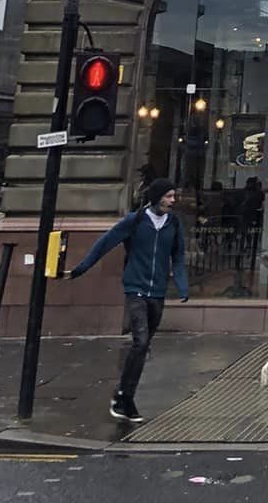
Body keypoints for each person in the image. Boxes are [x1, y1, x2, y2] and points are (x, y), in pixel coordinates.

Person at [68, 177, 188, 422]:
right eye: (168, 196)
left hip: (158, 292)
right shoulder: (135, 221)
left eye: (173, 196)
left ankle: (123, 396)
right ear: (156, 198)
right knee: (140, 342)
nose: (173, 201)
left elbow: (178, 256)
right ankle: (125, 396)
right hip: (136, 289)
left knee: (143, 347)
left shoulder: (174, 223)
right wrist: (81, 268)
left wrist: (182, 285)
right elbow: (105, 243)